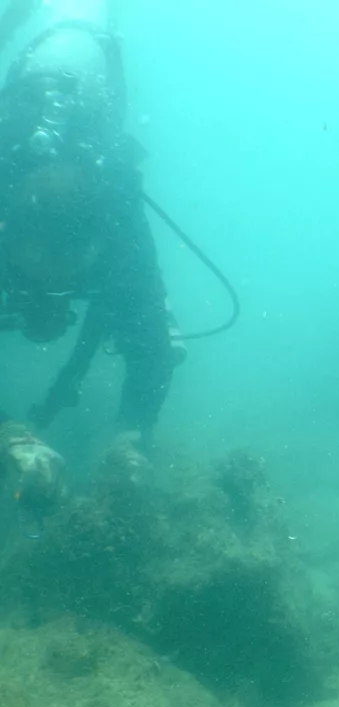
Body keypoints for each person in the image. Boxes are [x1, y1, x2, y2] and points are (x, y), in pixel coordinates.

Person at [0, 24, 179, 523]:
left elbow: (151, 349)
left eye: (63, 284)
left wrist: (131, 436)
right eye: (34, 281)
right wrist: (8, 435)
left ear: (95, 252)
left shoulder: (121, 229)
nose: (48, 300)